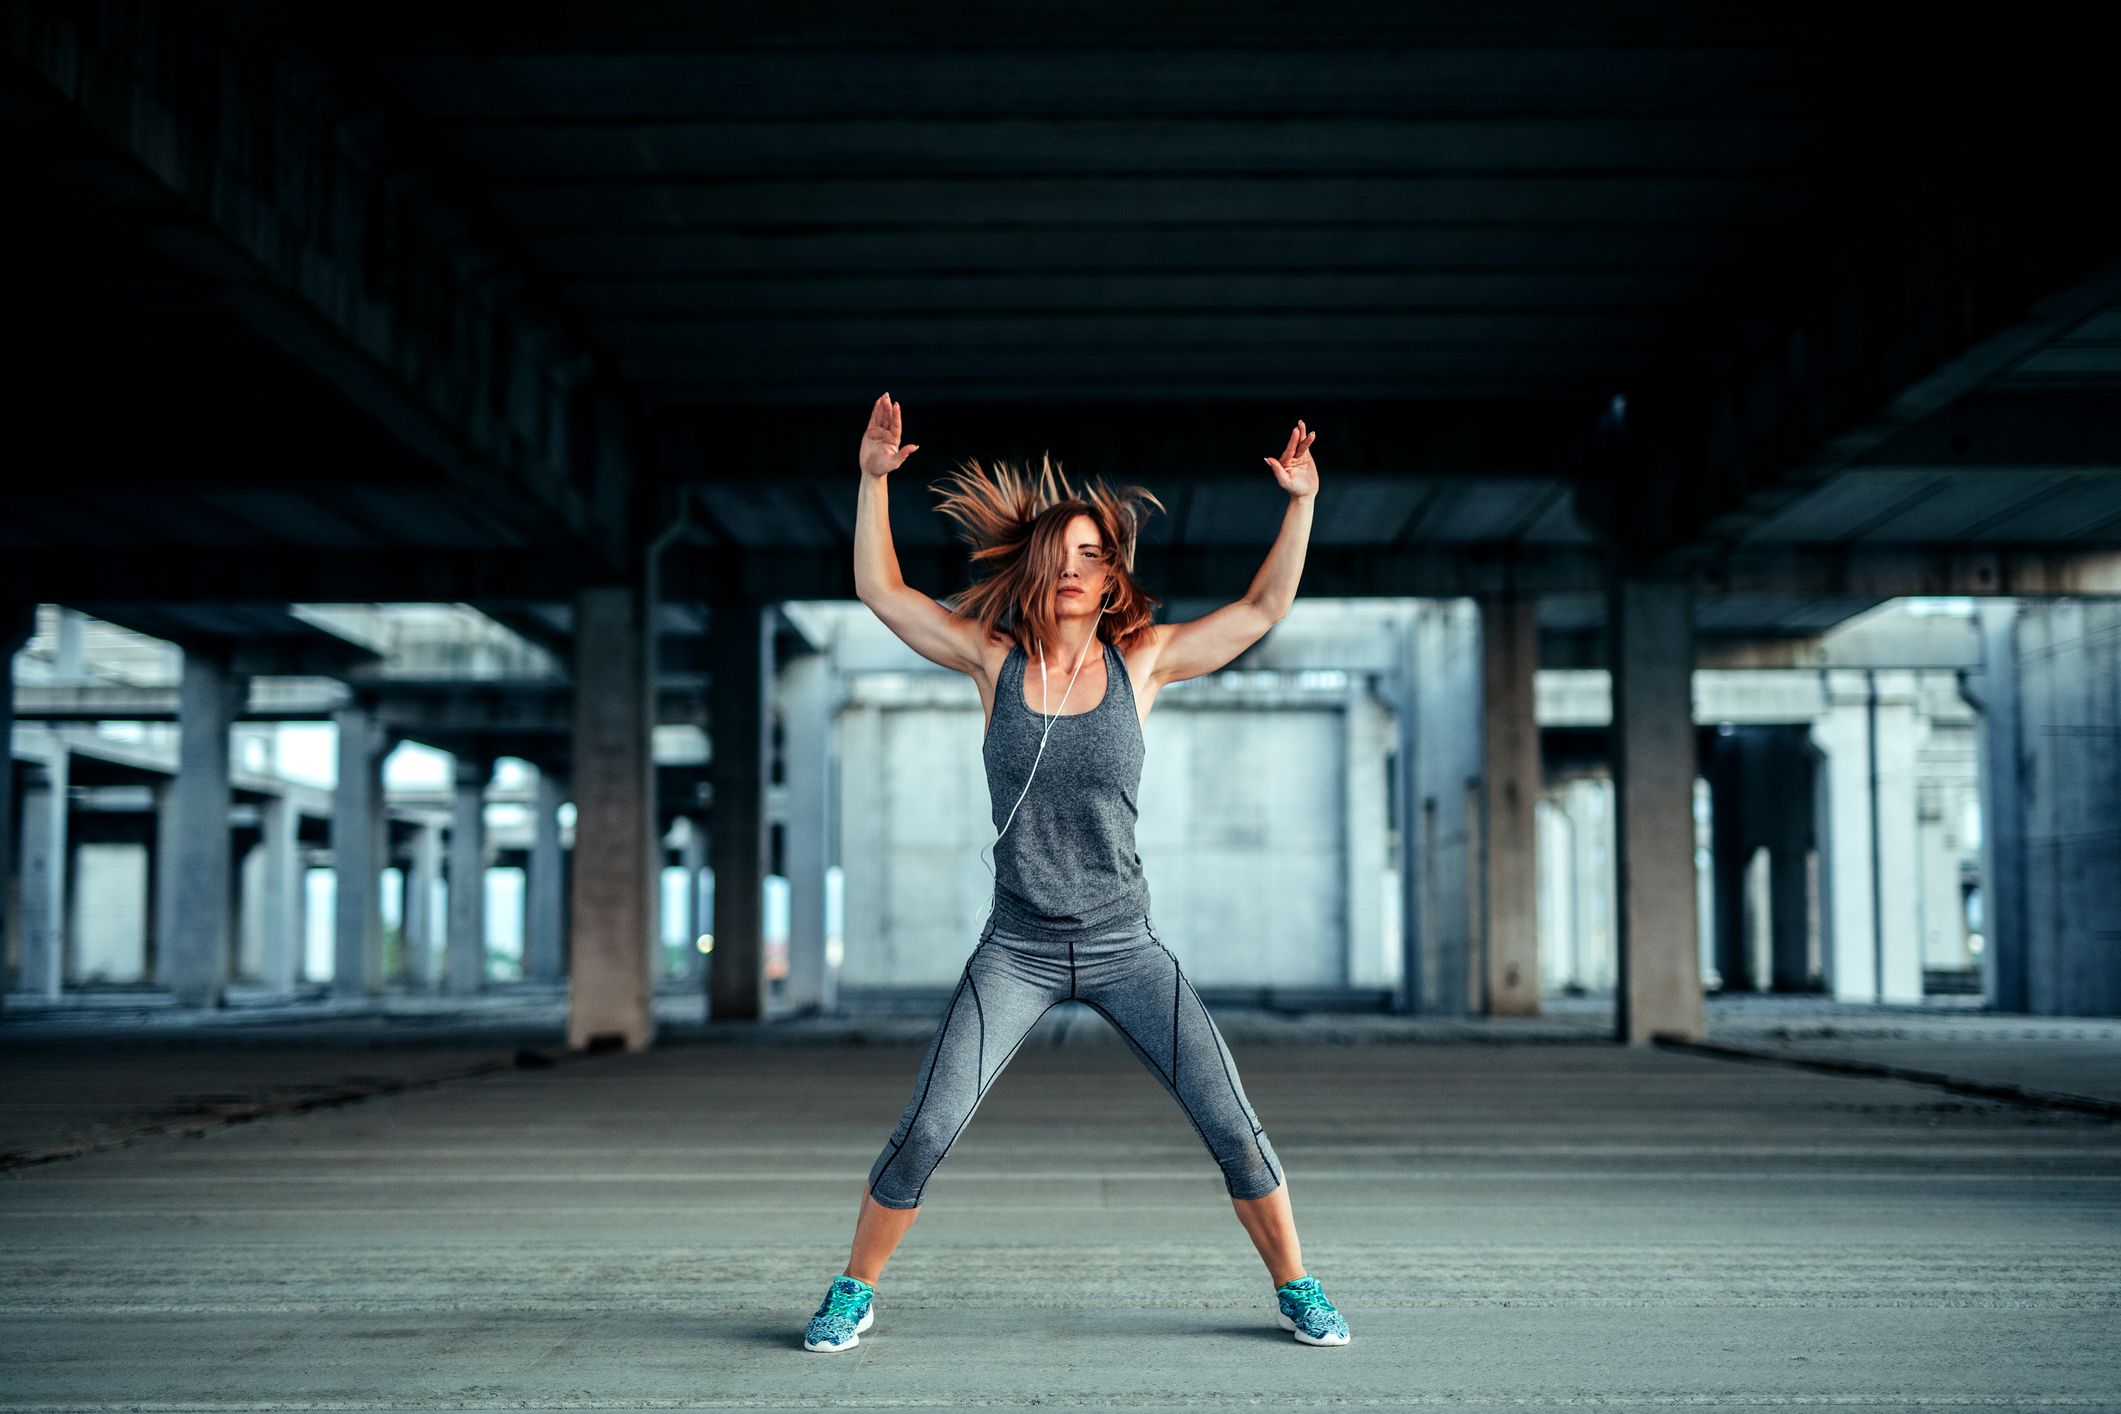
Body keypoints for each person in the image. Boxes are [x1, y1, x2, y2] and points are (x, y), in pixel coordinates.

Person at [802, 393, 1350, 1352]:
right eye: (1063, 550)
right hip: (1014, 948)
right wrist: (872, 481)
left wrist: (1300, 503)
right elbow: (883, 594)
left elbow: (1262, 609)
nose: (1075, 566)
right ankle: (854, 1288)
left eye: (1095, 555)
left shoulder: (1145, 664)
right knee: (927, 1126)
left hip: (1123, 946)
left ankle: (1297, 1284)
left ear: (1110, 582)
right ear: (1039, 567)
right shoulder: (991, 660)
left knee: (1230, 1120)